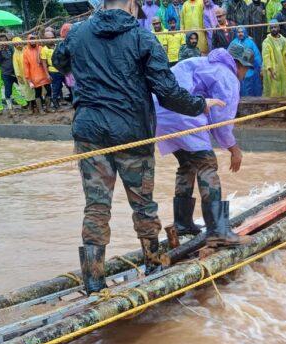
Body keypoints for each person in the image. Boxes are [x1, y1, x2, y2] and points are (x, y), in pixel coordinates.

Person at [52, 0, 223, 294]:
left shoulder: (77, 33)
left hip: (89, 132)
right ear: (132, 4)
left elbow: (59, 61)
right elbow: (168, 93)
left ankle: (93, 280)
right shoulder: (143, 37)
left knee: (96, 205)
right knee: (143, 205)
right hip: (132, 133)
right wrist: (199, 105)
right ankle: (154, 267)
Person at [156, 44, 254, 247]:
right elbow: (222, 120)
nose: (245, 72)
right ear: (237, 64)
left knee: (187, 164)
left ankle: (182, 223)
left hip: (161, 113)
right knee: (206, 164)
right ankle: (218, 231)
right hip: (182, 112)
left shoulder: (203, 64)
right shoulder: (228, 76)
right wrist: (234, 149)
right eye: (246, 68)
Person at [262, 19, 286, 97]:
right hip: (272, 71)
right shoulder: (266, 42)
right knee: (273, 92)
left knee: (285, 91)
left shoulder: (284, 41)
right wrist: (270, 69)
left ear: (279, 28)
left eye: (275, 27)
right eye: (272, 28)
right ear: (269, 29)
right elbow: (266, 57)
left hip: (284, 70)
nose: (274, 29)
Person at [229, 26, 263, 96]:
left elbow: (257, 55)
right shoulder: (233, 43)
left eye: (242, 32)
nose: (240, 34)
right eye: (238, 32)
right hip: (238, 71)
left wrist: (259, 67)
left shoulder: (250, 43)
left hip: (251, 70)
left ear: (245, 32)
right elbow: (228, 57)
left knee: (253, 89)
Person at [23, 34, 52, 114]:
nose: (32, 41)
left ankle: (48, 107)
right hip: (34, 76)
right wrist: (28, 79)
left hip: (44, 74)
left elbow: (45, 60)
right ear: (28, 41)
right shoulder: (26, 52)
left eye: (34, 39)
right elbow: (26, 67)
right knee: (38, 93)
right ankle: (40, 109)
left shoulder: (40, 48)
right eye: (31, 39)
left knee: (49, 90)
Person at [41, 31, 64, 110]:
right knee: (55, 87)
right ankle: (55, 102)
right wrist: (47, 75)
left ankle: (62, 100)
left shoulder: (58, 45)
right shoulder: (44, 49)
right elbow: (44, 63)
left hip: (62, 69)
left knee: (65, 85)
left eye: (52, 38)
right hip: (53, 71)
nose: (50, 40)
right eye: (48, 38)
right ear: (45, 39)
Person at [12, 36, 36, 111]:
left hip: (32, 73)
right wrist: (19, 76)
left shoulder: (27, 50)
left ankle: (36, 104)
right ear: (14, 46)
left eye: (20, 44)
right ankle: (30, 105)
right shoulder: (15, 55)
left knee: (34, 89)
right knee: (26, 90)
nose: (19, 46)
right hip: (23, 76)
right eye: (17, 45)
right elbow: (16, 67)